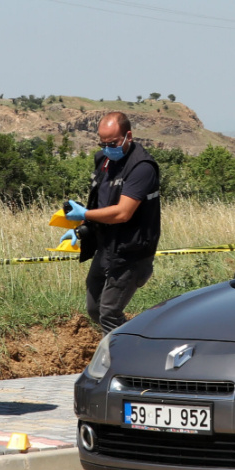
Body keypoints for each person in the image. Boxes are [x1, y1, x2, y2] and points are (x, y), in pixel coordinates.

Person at [61, 111, 161, 333]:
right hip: (106, 247)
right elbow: (102, 205)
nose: (107, 148)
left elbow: (122, 213)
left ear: (129, 136)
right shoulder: (103, 160)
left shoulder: (142, 167)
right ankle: (134, 346)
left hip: (131, 252)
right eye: (102, 142)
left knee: (109, 313)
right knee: (94, 308)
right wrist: (83, 229)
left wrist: (84, 214)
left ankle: (117, 363)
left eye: (113, 143)